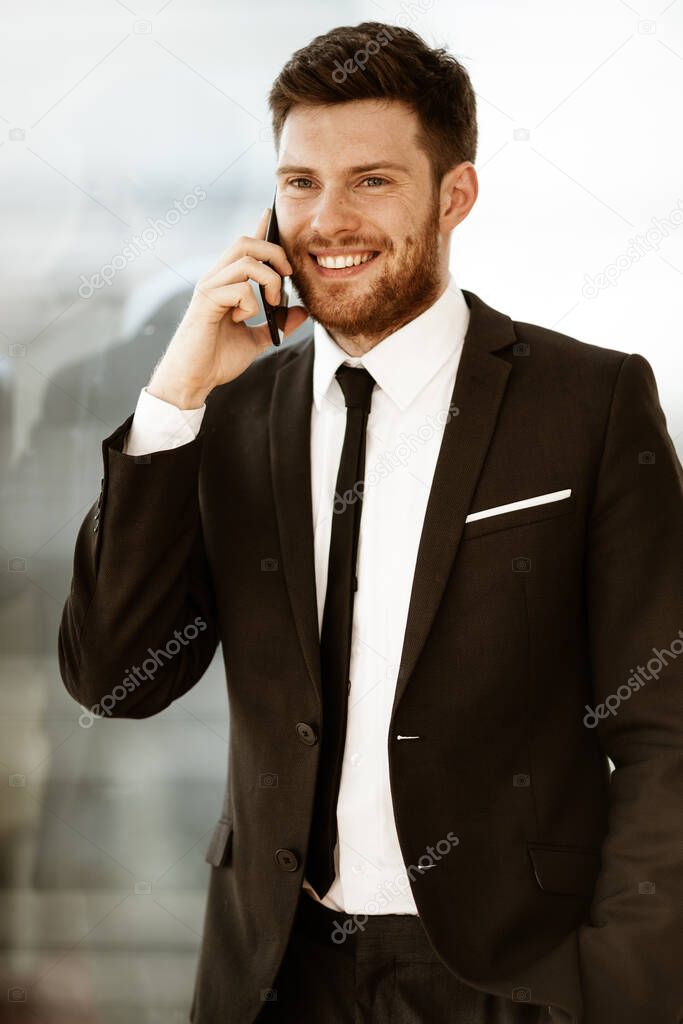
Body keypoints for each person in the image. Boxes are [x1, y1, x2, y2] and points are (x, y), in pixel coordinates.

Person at [58, 21, 683, 1024]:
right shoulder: (233, 417)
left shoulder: (589, 402)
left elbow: (664, 733)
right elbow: (112, 674)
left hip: (508, 978)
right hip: (273, 973)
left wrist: (619, 988)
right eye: (299, 182)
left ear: (454, 195)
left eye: (371, 181)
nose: (326, 218)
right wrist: (176, 394)